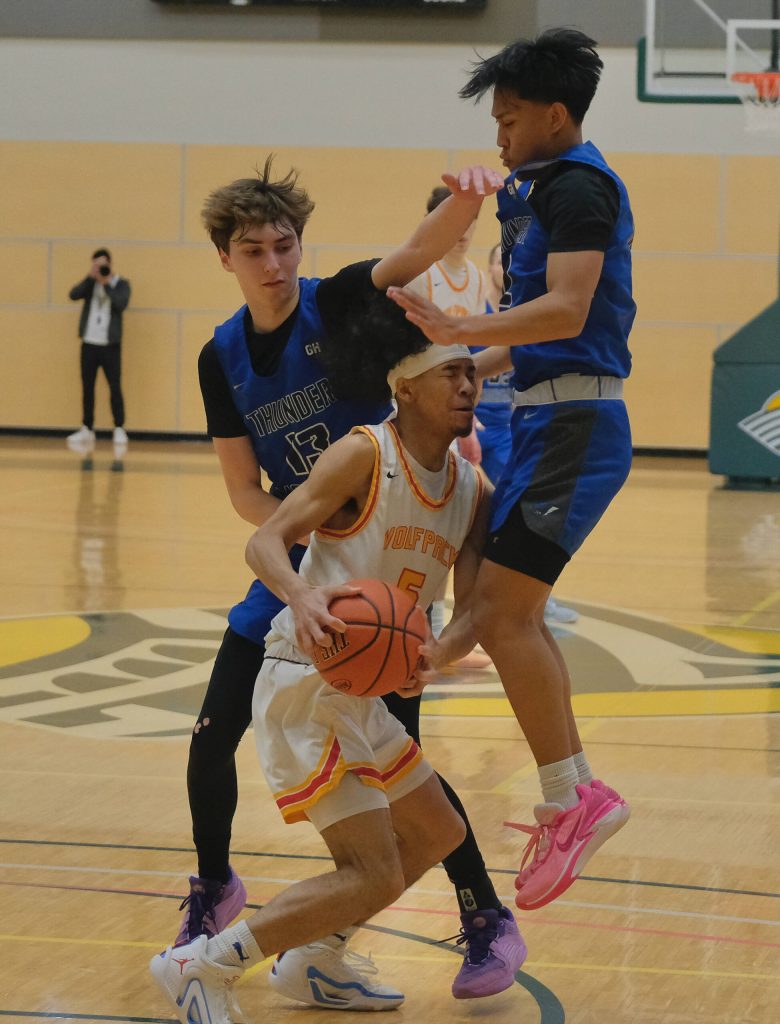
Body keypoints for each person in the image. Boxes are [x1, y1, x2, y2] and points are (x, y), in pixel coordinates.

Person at [178, 157, 519, 1006]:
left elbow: (412, 253)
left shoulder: (331, 303)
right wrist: (303, 560)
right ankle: (214, 891)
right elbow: (242, 492)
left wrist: (467, 205)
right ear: (227, 258)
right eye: (253, 250)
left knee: (407, 773)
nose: (274, 263)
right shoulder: (220, 356)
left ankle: (478, 911)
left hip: (381, 554)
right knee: (211, 732)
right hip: (299, 557)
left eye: (285, 244)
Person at [388, 28, 634, 911]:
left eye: (510, 117)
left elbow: (566, 310)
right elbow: (526, 343)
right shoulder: (533, 188)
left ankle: (575, 796)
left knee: (498, 614)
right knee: (506, 616)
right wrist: (441, 367)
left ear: (556, 115)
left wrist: (461, 334)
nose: (497, 133)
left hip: (575, 421)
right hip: (542, 413)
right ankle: (574, 794)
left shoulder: (578, 188)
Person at [406, 186, 487, 643]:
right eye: (453, 221)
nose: (462, 232)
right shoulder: (422, 274)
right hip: (422, 416)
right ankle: (419, 623)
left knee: (456, 519)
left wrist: (470, 418)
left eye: (470, 221)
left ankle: (445, 628)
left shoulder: (475, 278)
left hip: (455, 414)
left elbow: (471, 357)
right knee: (420, 519)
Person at [67, 248, 130, 451]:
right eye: (96, 264)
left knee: (114, 385)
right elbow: (73, 294)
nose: (100, 268)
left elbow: (121, 304)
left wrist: (107, 284)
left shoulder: (121, 284)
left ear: (110, 264)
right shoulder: (90, 284)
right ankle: (87, 427)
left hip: (110, 345)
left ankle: (119, 427)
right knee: (87, 385)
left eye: (103, 264)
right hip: (89, 343)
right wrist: (90, 277)